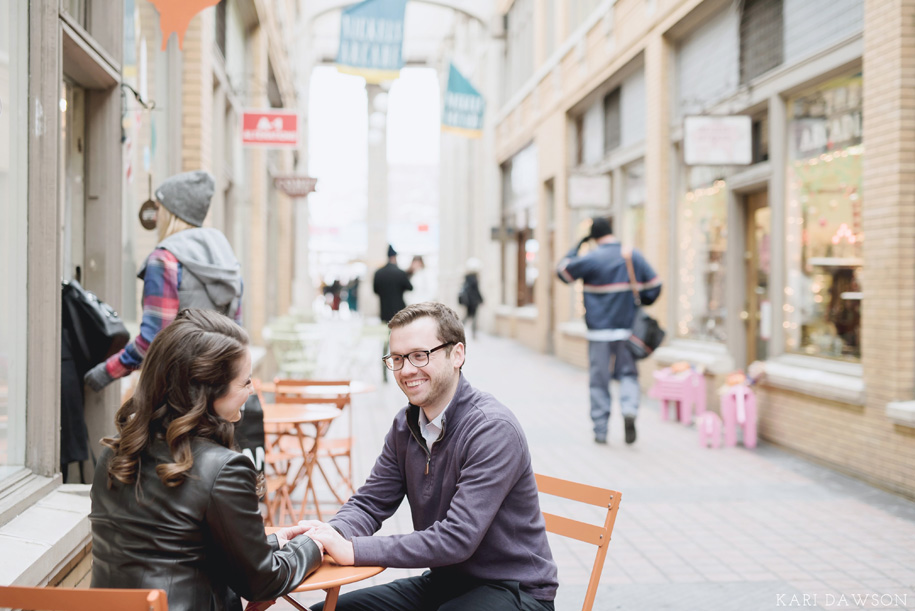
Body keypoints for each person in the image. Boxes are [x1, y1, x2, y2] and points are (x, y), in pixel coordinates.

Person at [301, 302, 558, 611]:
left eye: (420, 355)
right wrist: (326, 537)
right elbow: (370, 504)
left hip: (515, 590)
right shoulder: (405, 424)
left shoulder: (492, 429)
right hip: (446, 583)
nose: (407, 370)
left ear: (457, 355)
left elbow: (457, 538)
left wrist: (353, 549)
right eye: (397, 358)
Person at [89, 309, 323, 611]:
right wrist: (312, 545)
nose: (252, 391)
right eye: (246, 382)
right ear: (206, 390)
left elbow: (175, 547)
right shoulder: (224, 468)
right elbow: (263, 580)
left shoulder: (115, 453)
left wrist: (275, 542)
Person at [83, 170, 244, 392]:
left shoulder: (165, 259)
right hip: (221, 392)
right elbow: (237, 334)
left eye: (159, 208)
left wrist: (104, 373)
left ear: (173, 213)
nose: (156, 216)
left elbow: (153, 341)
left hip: (178, 392)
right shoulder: (226, 259)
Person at [556, 216, 661, 445]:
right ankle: (629, 409)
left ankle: (601, 430)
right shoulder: (631, 255)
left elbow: (562, 272)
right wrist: (637, 298)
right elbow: (655, 286)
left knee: (599, 381)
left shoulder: (591, 258)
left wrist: (578, 246)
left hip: (599, 334)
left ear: (594, 237)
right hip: (628, 332)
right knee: (629, 375)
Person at [372, 244, 413, 323]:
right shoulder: (400, 273)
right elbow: (410, 287)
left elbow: (375, 290)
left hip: (384, 309)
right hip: (399, 309)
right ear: (394, 257)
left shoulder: (378, 273)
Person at [458, 257, 484, 339]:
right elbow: (476, 290)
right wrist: (481, 299)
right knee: (473, 317)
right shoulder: (474, 279)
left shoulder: (467, 277)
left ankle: (458, 329)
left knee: (468, 316)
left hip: (469, 301)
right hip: (473, 301)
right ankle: (472, 333)